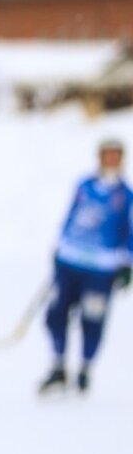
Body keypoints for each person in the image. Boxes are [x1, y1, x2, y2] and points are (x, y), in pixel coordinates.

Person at [39, 138, 132, 394]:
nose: (111, 160)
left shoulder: (125, 196)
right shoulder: (84, 186)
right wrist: (60, 246)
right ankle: (58, 366)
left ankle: (84, 369)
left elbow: (130, 231)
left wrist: (127, 263)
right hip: (70, 262)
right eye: (107, 155)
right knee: (56, 314)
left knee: (92, 319)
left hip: (101, 269)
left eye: (116, 155)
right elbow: (71, 216)